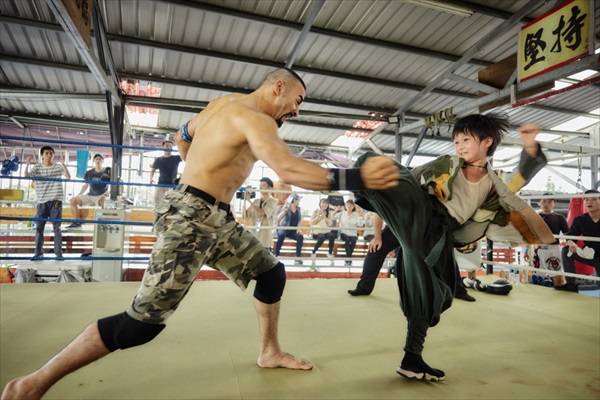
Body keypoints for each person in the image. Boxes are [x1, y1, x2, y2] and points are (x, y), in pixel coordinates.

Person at [0, 67, 401, 400]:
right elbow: (290, 170)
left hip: (213, 216)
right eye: (297, 100)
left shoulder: (221, 105)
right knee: (141, 325)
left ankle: (269, 352)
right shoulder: (257, 119)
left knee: (271, 273)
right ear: (278, 87)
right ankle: (32, 383)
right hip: (190, 218)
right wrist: (360, 177)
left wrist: (201, 175)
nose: (296, 110)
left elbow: (183, 135)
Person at [350, 113, 554, 382]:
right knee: (383, 166)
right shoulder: (446, 163)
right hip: (420, 212)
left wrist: (529, 145)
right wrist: (378, 185)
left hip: (441, 235)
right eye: (456, 141)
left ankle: (411, 359)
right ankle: (353, 178)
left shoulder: (495, 182)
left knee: (434, 294)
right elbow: (410, 179)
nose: (459, 146)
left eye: (466, 140)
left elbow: (521, 177)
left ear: (487, 142)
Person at [347, 213, 475, 302]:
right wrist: (377, 237)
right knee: (376, 249)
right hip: (397, 226)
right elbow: (378, 213)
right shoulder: (386, 188)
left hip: (423, 224)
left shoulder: (422, 185)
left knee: (444, 251)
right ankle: (364, 287)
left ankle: (458, 290)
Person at [24, 146, 71, 261]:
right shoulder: (37, 167)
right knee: (39, 228)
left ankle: (58, 254)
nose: (49, 155)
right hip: (42, 201)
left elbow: (68, 177)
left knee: (57, 228)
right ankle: (38, 253)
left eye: (51, 153)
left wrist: (63, 164)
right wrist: (27, 164)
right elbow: (26, 176)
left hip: (56, 200)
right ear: (42, 155)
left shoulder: (58, 166)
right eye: (47, 153)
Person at [525, 193, 575, 291]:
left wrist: (571, 245)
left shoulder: (559, 218)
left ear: (554, 203)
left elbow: (567, 235)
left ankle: (562, 299)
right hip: (538, 250)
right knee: (538, 280)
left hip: (553, 250)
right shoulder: (535, 217)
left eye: (549, 202)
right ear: (539, 203)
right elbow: (529, 235)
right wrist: (527, 251)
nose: (546, 204)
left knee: (559, 281)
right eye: (544, 201)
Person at [561, 189, 600, 288]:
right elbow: (570, 237)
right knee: (566, 251)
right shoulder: (580, 219)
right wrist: (572, 244)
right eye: (586, 199)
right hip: (589, 254)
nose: (589, 202)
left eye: (594, 199)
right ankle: (571, 285)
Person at [65, 154, 111, 229]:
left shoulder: (107, 172)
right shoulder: (89, 173)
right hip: (90, 195)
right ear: (93, 161)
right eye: (96, 159)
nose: (98, 160)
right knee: (73, 201)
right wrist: (78, 195)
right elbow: (85, 185)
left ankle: (103, 224)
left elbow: (114, 184)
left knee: (104, 201)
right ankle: (77, 222)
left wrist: (109, 192)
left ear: (103, 161)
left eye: (100, 159)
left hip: (101, 196)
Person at [243, 177, 278, 251]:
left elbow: (262, 213)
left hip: (265, 238)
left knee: (265, 258)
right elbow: (245, 217)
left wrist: (249, 201)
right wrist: (244, 201)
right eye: (260, 186)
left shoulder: (273, 201)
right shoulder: (256, 201)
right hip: (254, 237)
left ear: (270, 188)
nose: (260, 188)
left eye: (263, 186)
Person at [149, 140, 182, 207]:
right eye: (167, 145)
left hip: (172, 185)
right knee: (157, 203)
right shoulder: (159, 159)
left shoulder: (176, 158)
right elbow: (152, 170)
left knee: (172, 204)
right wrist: (150, 179)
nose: (168, 147)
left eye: (170, 146)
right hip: (161, 184)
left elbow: (186, 156)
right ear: (163, 147)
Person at [274, 194, 305, 264]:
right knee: (282, 235)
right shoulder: (286, 207)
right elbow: (278, 219)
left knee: (300, 236)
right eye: (298, 200)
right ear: (294, 200)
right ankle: (276, 254)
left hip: (293, 230)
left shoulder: (298, 209)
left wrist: (299, 229)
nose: (299, 201)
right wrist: (284, 211)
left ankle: (298, 257)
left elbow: (299, 220)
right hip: (283, 228)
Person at [334, 199, 364, 266]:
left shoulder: (356, 215)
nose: (349, 206)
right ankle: (349, 259)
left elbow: (360, 225)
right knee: (347, 240)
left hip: (353, 233)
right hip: (343, 232)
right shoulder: (342, 213)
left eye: (351, 205)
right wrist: (336, 210)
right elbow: (333, 217)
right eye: (347, 204)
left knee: (353, 240)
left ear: (353, 206)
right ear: (345, 206)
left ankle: (348, 258)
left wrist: (360, 217)